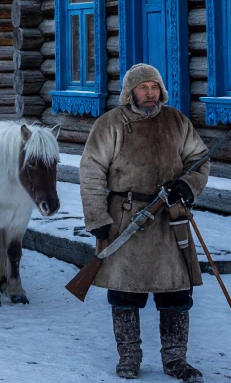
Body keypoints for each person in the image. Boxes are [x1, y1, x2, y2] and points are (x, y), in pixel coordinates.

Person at [80, 63, 210, 382]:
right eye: (143, 88)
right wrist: (97, 216)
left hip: (170, 221)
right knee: (125, 293)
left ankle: (175, 360)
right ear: (130, 92)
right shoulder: (110, 124)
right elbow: (91, 170)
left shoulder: (176, 121)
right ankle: (129, 357)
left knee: (177, 294)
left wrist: (187, 185)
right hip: (125, 218)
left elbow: (199, 160)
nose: (150, 94)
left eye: (154, 88)